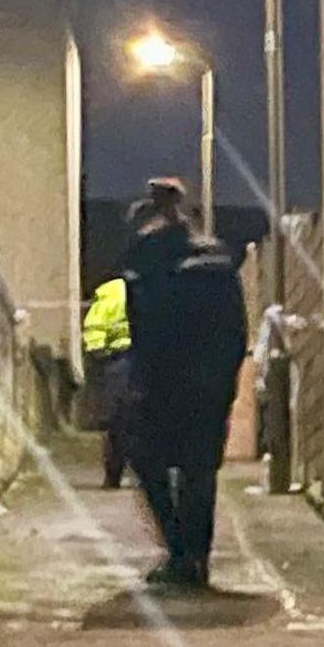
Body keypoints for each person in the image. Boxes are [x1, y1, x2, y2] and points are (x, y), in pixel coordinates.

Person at [118, 179, 249, 592]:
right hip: (209, 383)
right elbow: (235, 327)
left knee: (147, 462)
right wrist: (227, 379)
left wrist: (139, 377)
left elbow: (143, 324)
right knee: (199, 470)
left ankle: (179, 551)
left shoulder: (147, 256)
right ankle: (196, 560)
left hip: (164, 379)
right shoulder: (218, 256)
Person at [78, 274, 134, 488]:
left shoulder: (112, 290)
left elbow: (95, 326)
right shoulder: (163, 283)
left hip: (117, 360)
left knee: (118, 421)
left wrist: (97, 352)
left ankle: (113, 476)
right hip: (148, 359)